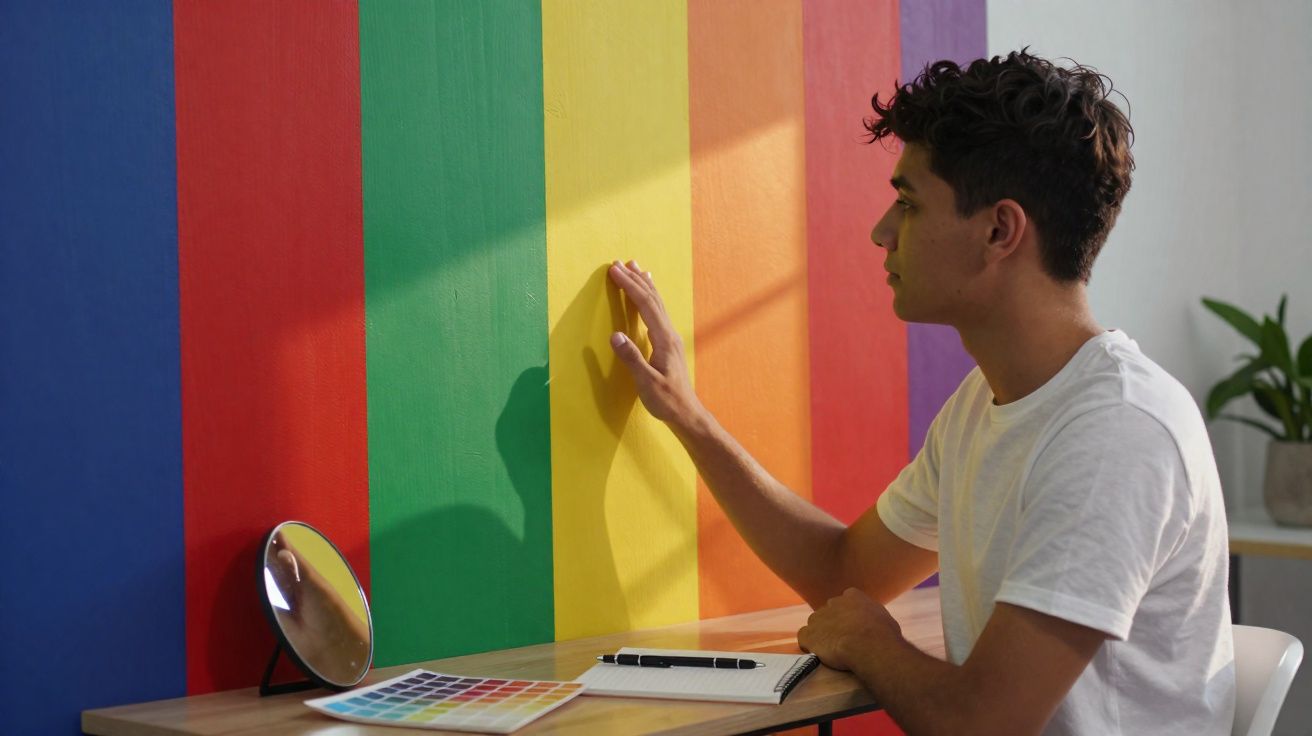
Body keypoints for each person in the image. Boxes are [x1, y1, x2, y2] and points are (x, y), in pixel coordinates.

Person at [606, 50, 1234, 735]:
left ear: (999, 231)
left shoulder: (1118, 431)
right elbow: (842, 571)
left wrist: (873, 641)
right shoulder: (983, 404)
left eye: (907, 203)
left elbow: (985, 723)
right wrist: (688, 416)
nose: (881, 233)